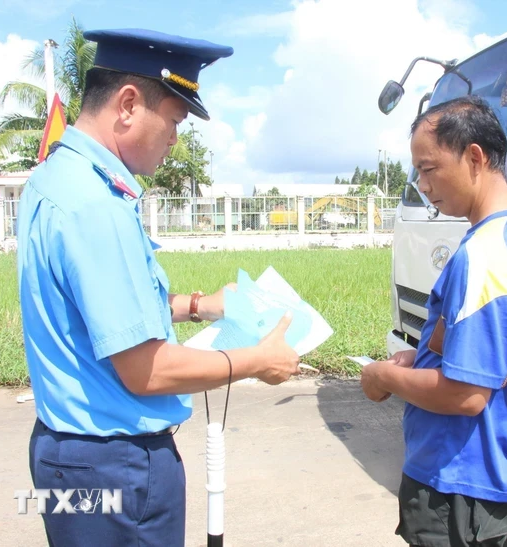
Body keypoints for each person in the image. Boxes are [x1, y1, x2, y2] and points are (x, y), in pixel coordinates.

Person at [17, 29, 300, 546]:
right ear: (128, 104)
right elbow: (146, 370)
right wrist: (258, 362)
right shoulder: (97, 206)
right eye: (173, 121)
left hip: (64, 458)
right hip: (116, 468)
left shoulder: (54, 179)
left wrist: (196, 306)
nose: (175, 139)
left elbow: (94, 308)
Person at [360, 95, 507, 547]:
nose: (422, 185)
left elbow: (466, 394)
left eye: (429, 169)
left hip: (458, 482)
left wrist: (382, 375)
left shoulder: (486, 256)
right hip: (488, 480)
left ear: (473, 157)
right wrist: (422, 355)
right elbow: (474, 349)